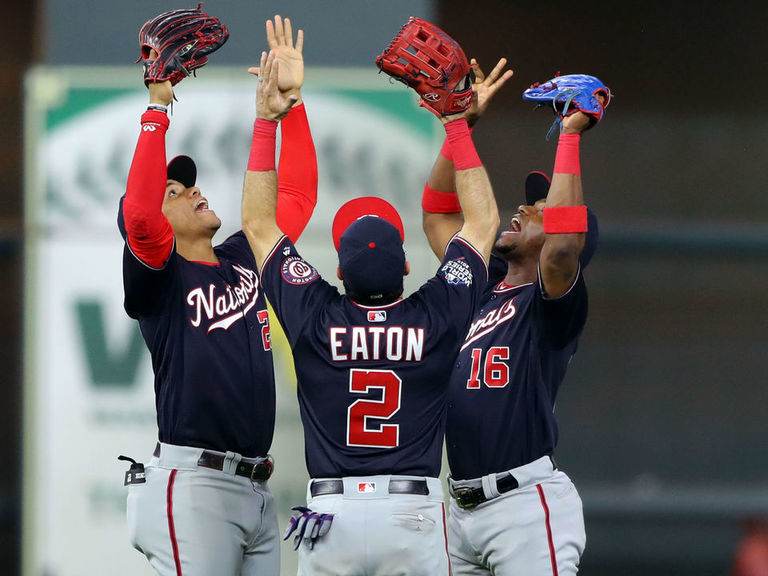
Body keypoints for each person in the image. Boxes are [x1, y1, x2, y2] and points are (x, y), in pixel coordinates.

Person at [242, 48, 499, 576]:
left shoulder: (316, 315)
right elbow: (482, 223)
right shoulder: (436, 314)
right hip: (414, 515)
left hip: (330, 515)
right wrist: (456, 124)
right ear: (407, 267)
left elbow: (259, 226)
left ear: (337, 272)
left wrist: (269, 120)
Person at [118, 16, 316, 576]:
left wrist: (291, 107)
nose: (193, 189)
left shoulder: (239, 256)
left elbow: (297, 194)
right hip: (193, 485)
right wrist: (159, 105)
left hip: (255, 489)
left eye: (188, 183)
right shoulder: (158, 277)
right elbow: (138, 214)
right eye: (175, 191)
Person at [421, 60, 605, 575]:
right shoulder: (481, 286)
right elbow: (437, 212)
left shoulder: (553, 303)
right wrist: (459, 125)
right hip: (458, 512)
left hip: (523, 506)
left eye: (539, 208)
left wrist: (569, 134)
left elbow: (564, 246)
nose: (521, 210)